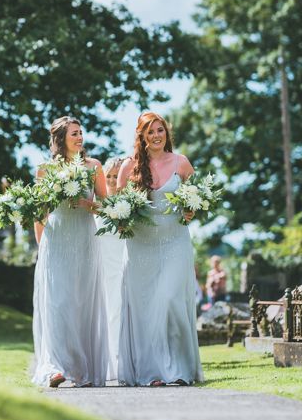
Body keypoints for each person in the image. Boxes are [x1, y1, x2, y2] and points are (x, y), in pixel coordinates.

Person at [116, 112, 204, 387]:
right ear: (141, 137)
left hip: (175, 241)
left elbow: (197, 198)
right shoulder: (129, 167)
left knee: (169, 301)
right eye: (150, 132)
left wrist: (192, 210)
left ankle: (178, 369)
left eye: (160, 130)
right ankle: (152, 372)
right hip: (141, 245)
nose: (156, 136)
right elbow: (117, 207)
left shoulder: (181, 163)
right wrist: (122, 221)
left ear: (167, 133)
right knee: (146, 308)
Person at [31, 116, 109, 388]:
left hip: (85, 238)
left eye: (80, 133)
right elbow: (39, 213)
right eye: (74, 133)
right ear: (61, 138)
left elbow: (107, 206)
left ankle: (79, 370)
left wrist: (88, 203)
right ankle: (54, 368)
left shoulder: (94, 167)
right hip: (57, 240)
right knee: (58, 302)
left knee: (80, 303)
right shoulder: (45, 169)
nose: (79, 137)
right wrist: (41, 248)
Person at [96, 156, 127, 380]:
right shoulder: (96, 206)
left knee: (121, 312)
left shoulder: (130, 206)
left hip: (124, 266)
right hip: (102, 268)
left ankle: (123, 362)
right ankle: (105, 362)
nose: (113, 180)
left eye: (117, 176)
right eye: (109, 176)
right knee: (105, 313)